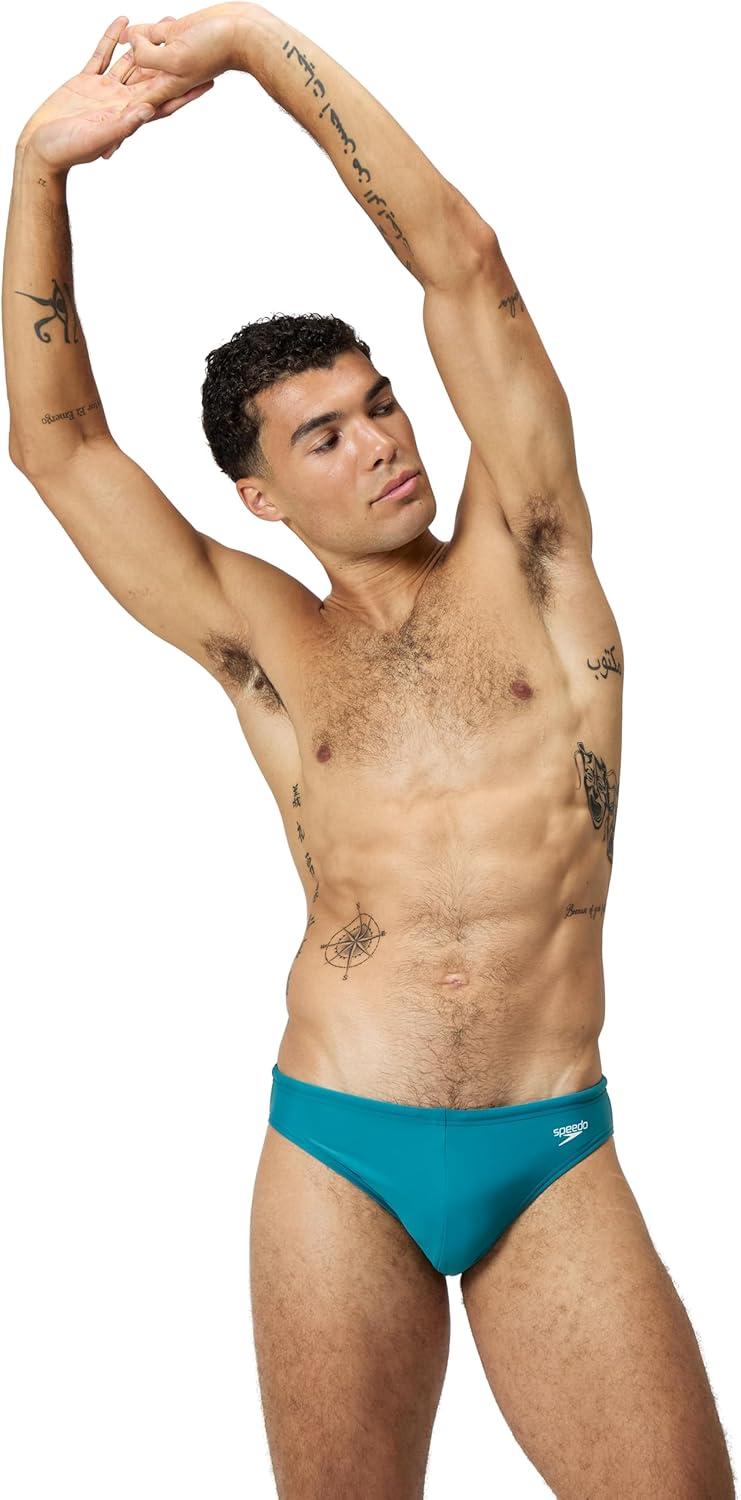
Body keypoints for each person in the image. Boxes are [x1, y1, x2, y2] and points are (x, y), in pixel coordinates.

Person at [4, 6, 734, 1496]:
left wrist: (251, 44)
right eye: (323, 437)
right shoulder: (264, 638)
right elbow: (59, 447)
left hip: (550, 1140)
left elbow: (462, 261)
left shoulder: (532, 553)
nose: (382, 442)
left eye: (379, 403)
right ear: (261, 497)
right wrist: (39, 174)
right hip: (338, 1145)